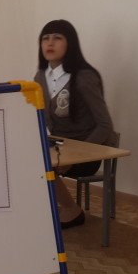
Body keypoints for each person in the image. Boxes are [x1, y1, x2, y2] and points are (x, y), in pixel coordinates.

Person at [34, 19, 118, 229]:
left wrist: (77, 154)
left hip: (88, 150)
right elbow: (40, 117)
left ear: (70, 43)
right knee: (25, 159)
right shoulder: (40, 77)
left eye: (57, 38)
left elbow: (104, 125)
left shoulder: (83, 77)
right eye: (45, 38)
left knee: (42, 164)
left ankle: (72, 210)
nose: (50, 43)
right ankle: (46, 209)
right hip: (60, 147)